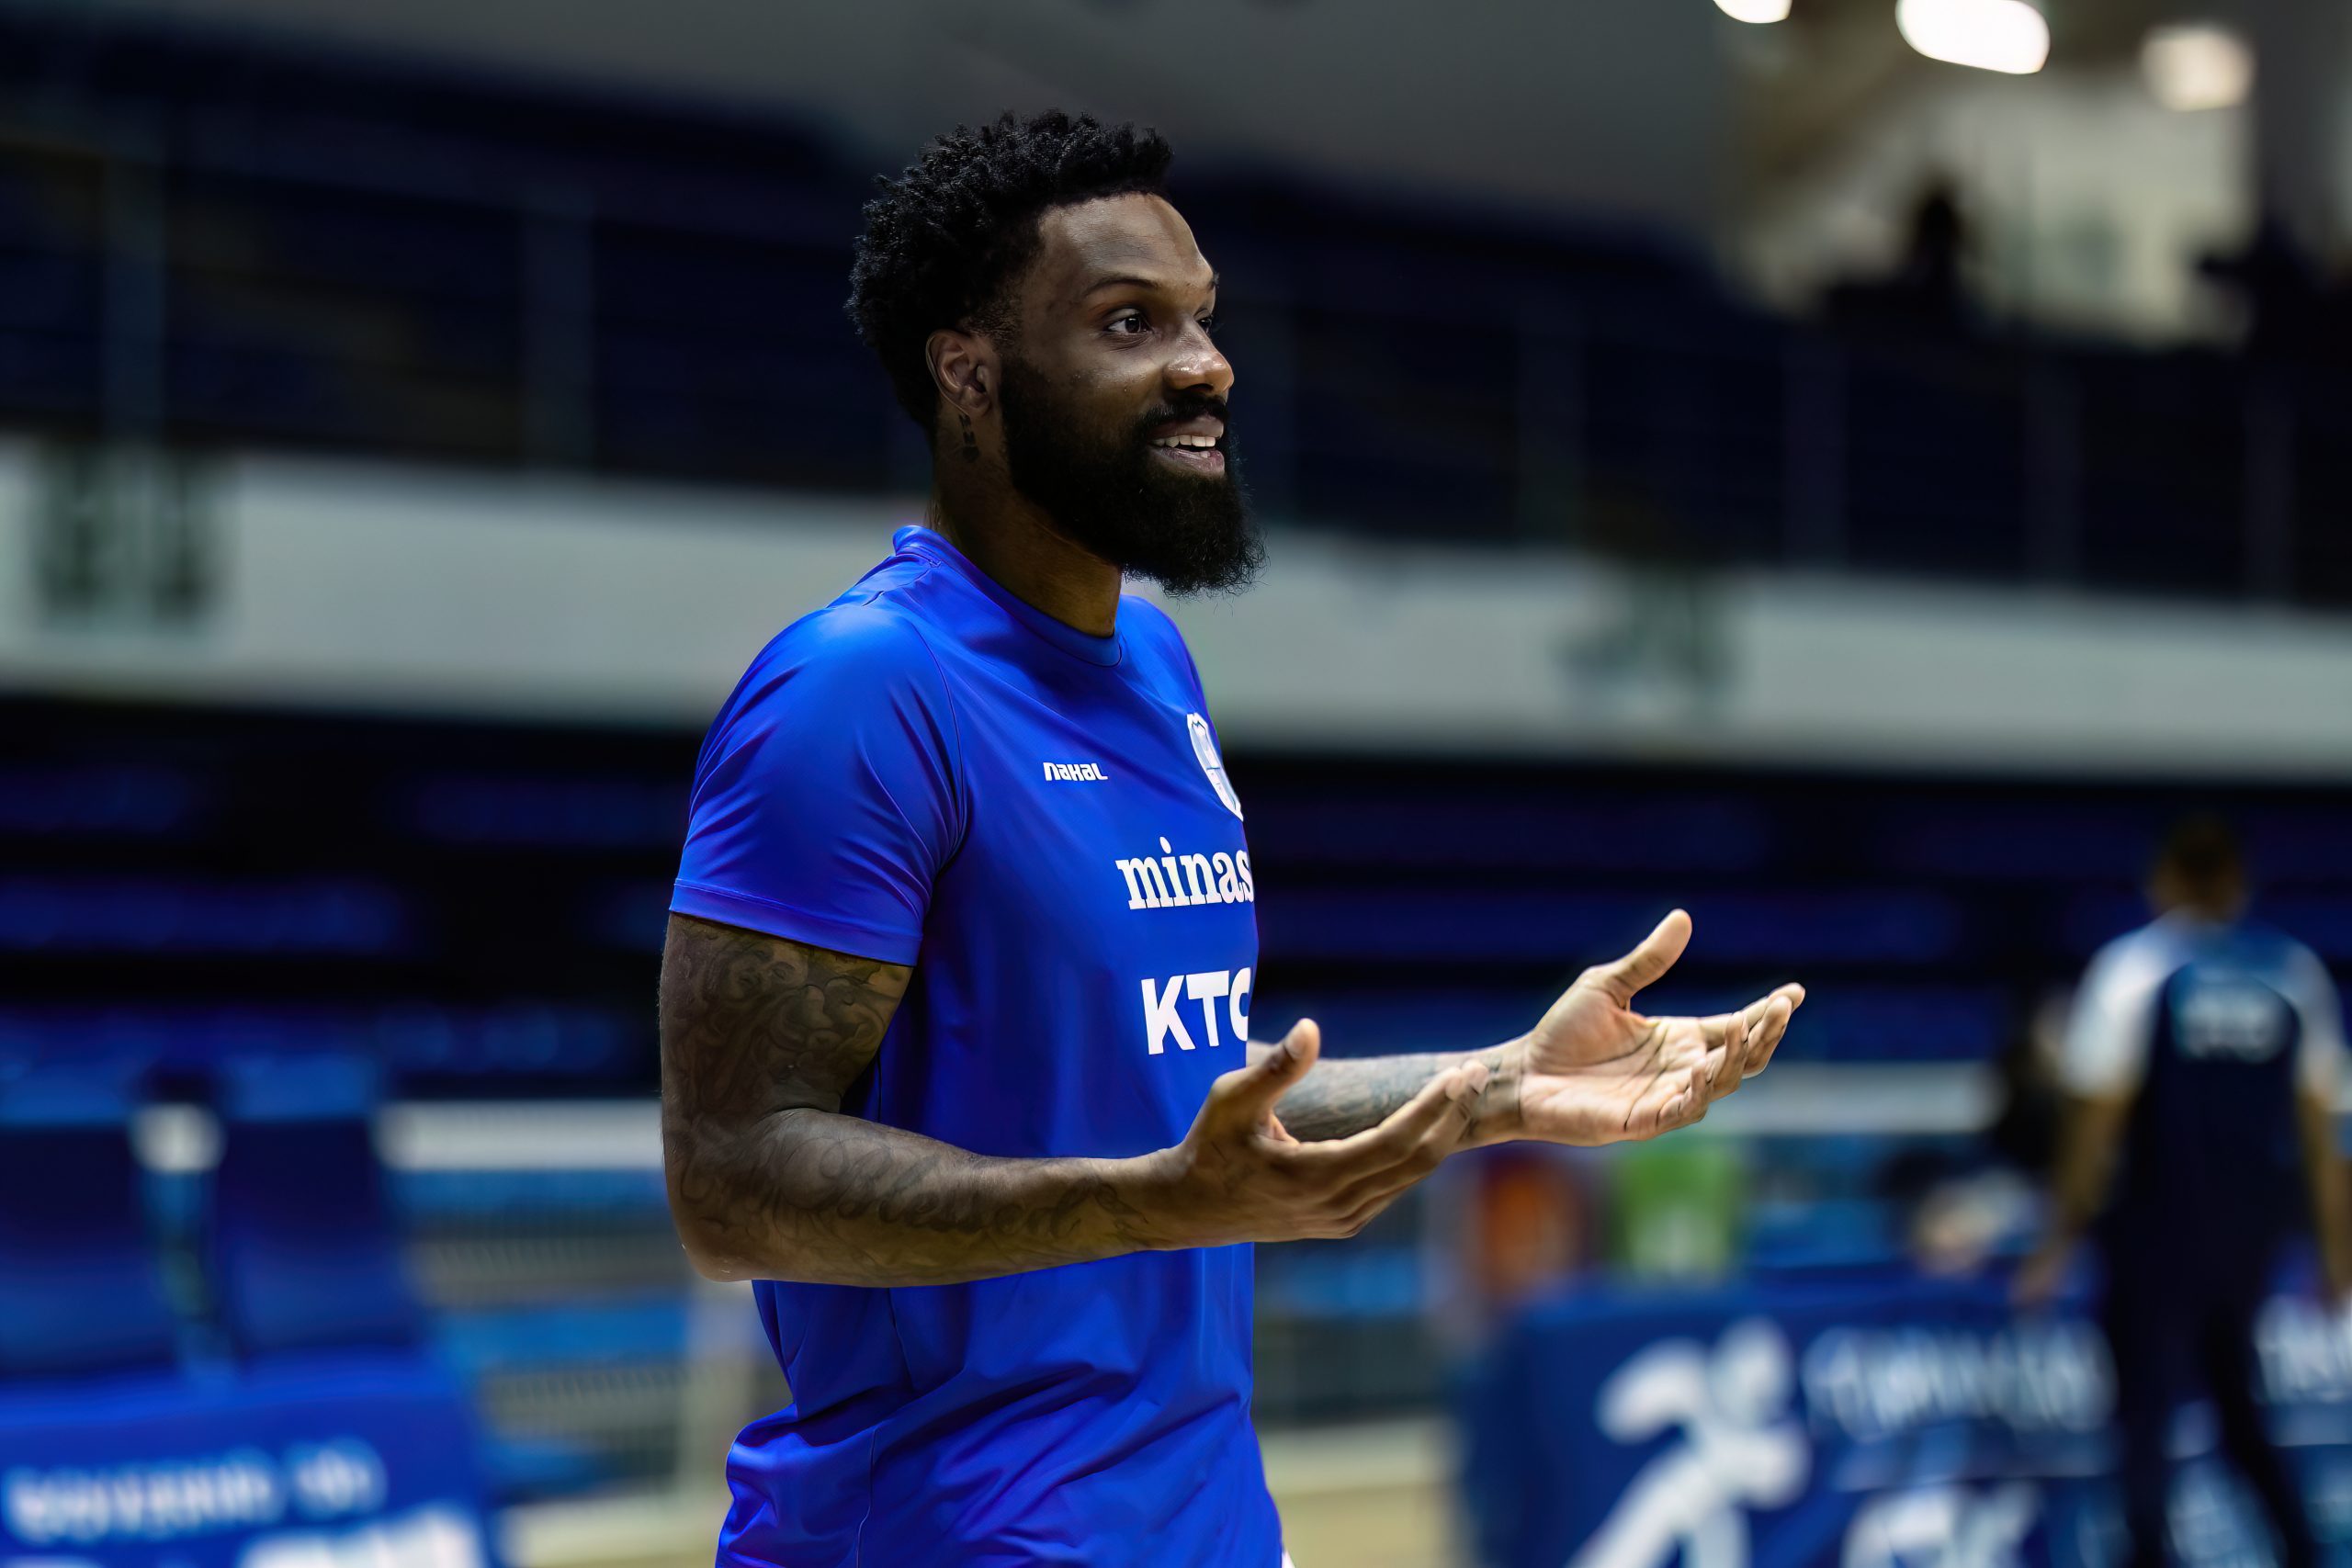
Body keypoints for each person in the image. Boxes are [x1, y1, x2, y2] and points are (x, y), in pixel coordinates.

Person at [658, 111, 1805, 1567]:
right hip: (953, 1531)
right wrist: (1146, 1204)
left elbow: (1176, 1096)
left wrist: (1505, 1078)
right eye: (1128, 322)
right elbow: (730, 1182)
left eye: (1201, 317)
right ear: (969, 373)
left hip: (1202, 1512)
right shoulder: (862, 689)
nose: (1206, 364)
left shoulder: (1156, 663)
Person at [2017, 816, 2351, 1568]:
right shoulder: (2292, 975)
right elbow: (2317, 1133)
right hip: (2249, 1234)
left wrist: (2056, 1242)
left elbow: (2095, 1124)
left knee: (2146, 1415)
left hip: (2155, 1229)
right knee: (2239, 1406)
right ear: (2238, 883)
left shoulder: (2134, 970)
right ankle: (2303, 1551)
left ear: (2163, 879)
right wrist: (2336, 1254)